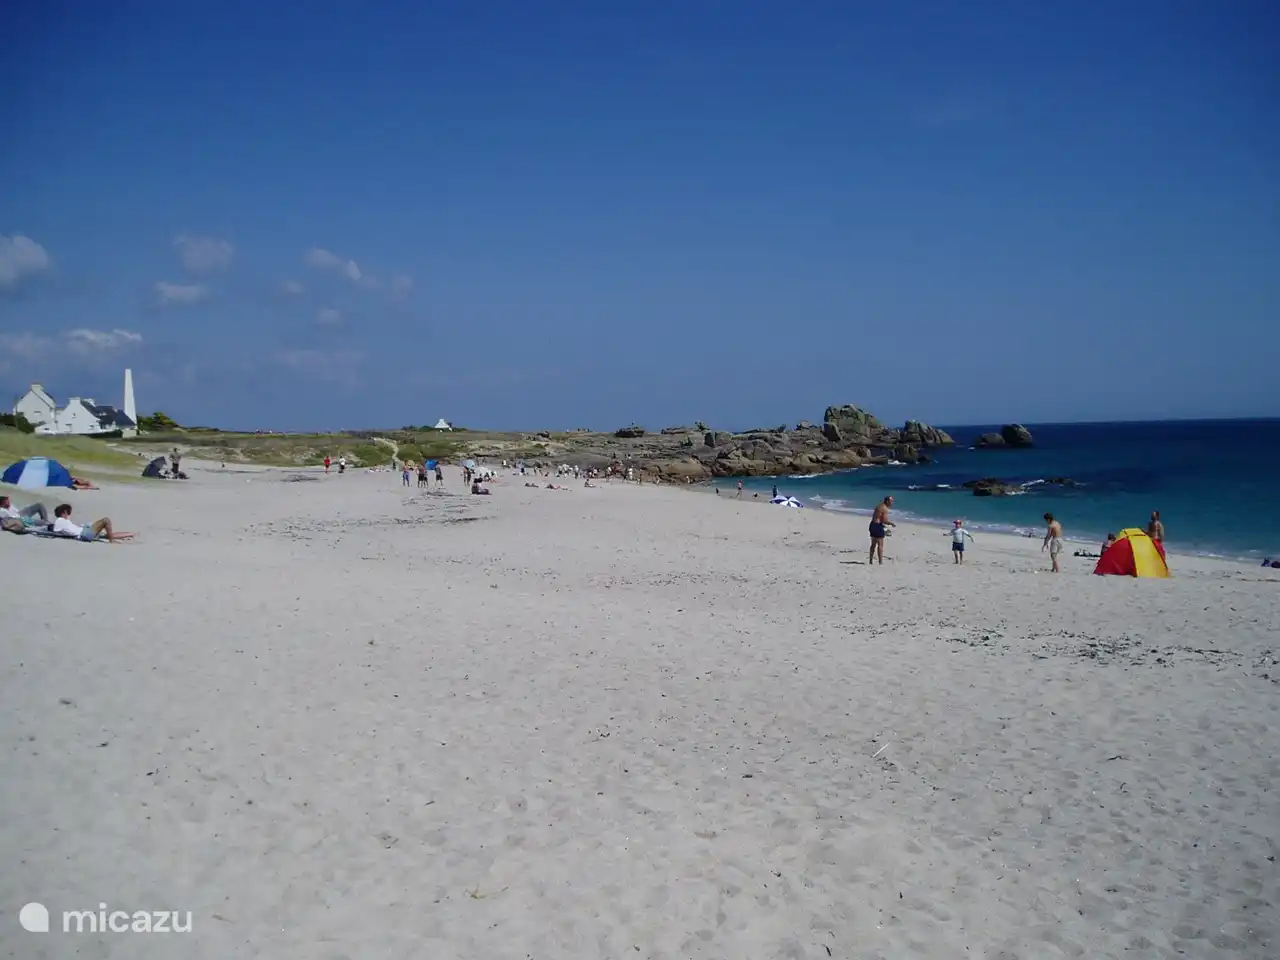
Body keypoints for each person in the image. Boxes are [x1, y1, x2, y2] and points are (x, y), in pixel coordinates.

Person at [51, 503, 134, 543]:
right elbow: (56, 531)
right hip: (84, 534)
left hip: (84, 531)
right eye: (68, 512)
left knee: (109, 534)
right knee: (106, 520)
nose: (69, 514)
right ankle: (112, 541)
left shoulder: (64, 520)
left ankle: (131, 534)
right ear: (64, 512)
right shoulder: (60, 520)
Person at [869, 496, 895, 565]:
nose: (892, 503)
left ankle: (870, 561)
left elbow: (878, 518)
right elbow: (884, 520)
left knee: (873, 544)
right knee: (880, 545)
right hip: (877, 526)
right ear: (887, 501)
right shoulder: (884, 508)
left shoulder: (879, 506)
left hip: (872, 525)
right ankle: (880, 562)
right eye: (891, 501)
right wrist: (891, 523)